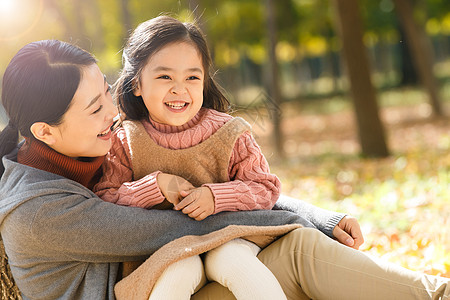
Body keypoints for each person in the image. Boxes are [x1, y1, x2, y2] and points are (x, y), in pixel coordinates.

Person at [0, 40, 448, 300]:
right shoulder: (36, 210)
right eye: (96, 107)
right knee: (293, 253)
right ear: (46, 131)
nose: (113, 110)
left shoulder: (89, 154)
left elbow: (211, 192)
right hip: (160, 285)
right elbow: (178, 225)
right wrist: (298, 218)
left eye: (108, 92)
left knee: (299, 245)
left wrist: (317, 218)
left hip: (179, 275)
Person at [92, 15, 300, 300]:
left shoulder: (230, 132)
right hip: (163, 249)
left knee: (235, 261)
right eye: (165, 76)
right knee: (177, 271)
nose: (180, 88)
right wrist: (155, 185)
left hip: (231, 237)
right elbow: (105, 199)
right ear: (137, 84)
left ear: (204, 82)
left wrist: (216, 197)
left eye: (192, 77)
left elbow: (265, 189)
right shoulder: (125, 139)